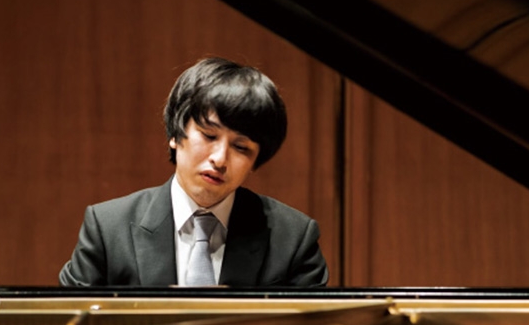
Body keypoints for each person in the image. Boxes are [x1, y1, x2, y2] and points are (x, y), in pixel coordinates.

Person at [59, 57, 328, 287]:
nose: (220, 159)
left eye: (241, 147)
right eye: (209, 136)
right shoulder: (107, 229)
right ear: (175, 135)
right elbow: (68, 321)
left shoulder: (294, 240)